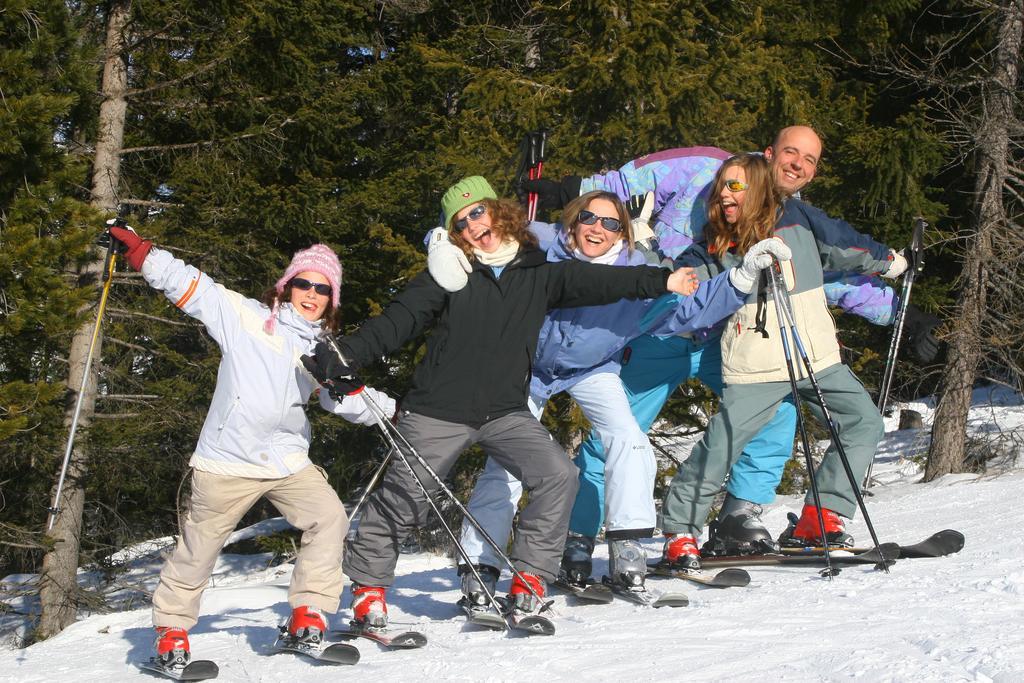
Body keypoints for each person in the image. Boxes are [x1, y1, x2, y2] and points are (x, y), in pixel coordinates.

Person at [520, 126, 938, 564]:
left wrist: (902, 315)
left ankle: (739, 517)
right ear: (768, 154)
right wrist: (576, 192)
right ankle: (578, 537)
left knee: (777, 414)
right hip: (658, 336)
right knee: (616, 435)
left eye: (809, 160)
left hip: (724, 340)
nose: (797, 165)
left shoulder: (796, 221)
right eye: (790, 153)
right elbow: (631, 185)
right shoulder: (705, 169)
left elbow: (829, 278)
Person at [302, 177, 699, 630]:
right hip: (438, 409)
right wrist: (343, 355)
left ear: (497, 212)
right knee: (404, 497)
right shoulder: (448, 274)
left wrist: (663, 278)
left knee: (558, 475)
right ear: (454, 233)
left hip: (504, 411)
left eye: (478, 212)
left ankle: (529, 578)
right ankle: (369, 591)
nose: (474, 224)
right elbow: (399, 321)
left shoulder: (538, 271)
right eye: (461, 221)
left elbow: (599, 281)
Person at [443, 190, 789, 603]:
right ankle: (479, 566)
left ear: (622, 232)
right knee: (506, 462)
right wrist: (445, 237)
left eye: (610, 223)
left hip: (593, 366)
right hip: (527, 367)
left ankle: (626, 549)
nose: (597, 229)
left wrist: (741, 277)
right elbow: (489, 228)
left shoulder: (636, 271)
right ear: (573, 220)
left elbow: (684, 309)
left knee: (628, 438)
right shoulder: (540, 243)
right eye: (589, 218)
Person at [106, 225, 394, 671]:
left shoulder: (324, 349)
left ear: (331, 302)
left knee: (328, 516)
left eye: (323, 289)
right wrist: (143, 253)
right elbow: (192, 285)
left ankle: (307, 615)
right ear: (287, 286)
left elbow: (344, 402)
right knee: (200, 545)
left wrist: (391, 410)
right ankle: (171, 633)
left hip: (286, 460)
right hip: (227, 459)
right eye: (305, 283)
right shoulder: (245, 317)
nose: (312, 294)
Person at [657, 153, 909, 571]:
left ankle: (819, 517)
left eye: (735, 186)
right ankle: (680, 530)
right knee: (721, 444)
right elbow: (682, 308)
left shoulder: (798, 223)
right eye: (721, 185)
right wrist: (736, 277)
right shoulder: (710, 248)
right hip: (756, 365)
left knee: (863, 420)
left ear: (758, 190)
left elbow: (846, 247)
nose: (724, 193)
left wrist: (891, 262)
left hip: (816, 358)